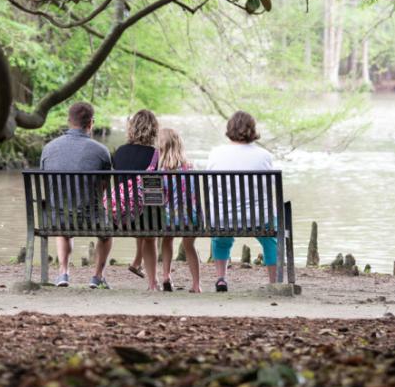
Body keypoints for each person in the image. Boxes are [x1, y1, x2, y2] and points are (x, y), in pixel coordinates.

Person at [39, 102, 113, 289]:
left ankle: (63, 272)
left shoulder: (48, 149)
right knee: (106, 234)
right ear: (91, 123)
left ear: (68, 121)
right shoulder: (101, 151)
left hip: (56, 219)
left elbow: (48, 185)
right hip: (92, 218)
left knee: (64, 216)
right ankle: (97, 277)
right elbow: (104, 187)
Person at [206, 111, 277, 291]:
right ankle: (274, 281)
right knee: (270, 239)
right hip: (258, 220)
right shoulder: (264, 156)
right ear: (252, 130)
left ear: (229, 129)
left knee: (220, 238)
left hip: (222, 219)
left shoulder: (215, 154)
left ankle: (221, 278)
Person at [111, 109, 160, 290]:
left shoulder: (119, 153)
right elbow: (155, 192)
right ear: (153, 129)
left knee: (138, 211)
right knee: (149, 229)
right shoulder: (155, 155)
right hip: (144, 219)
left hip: (120, 217)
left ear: (132, 128)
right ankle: (153, 283)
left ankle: (137, 261)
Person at [157, 127, 201, 292]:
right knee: (189, 245)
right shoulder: (190, 167)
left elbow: (161, 198)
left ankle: (166, 276)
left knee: (167, 239)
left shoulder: (161, 171)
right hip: (190, 218)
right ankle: (196, 284)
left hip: (169, 219)